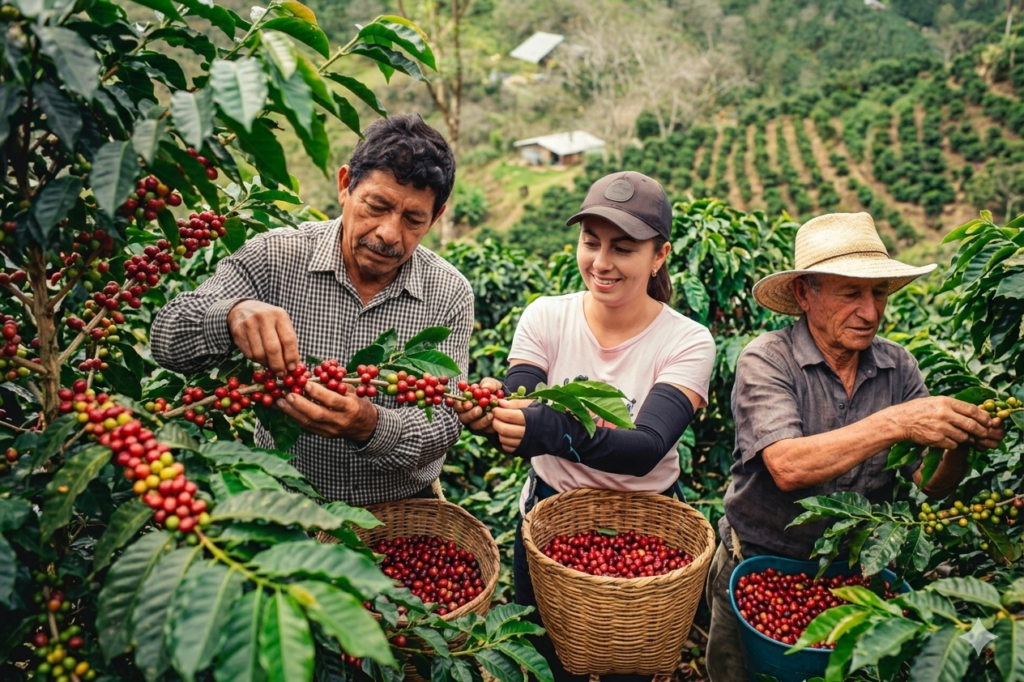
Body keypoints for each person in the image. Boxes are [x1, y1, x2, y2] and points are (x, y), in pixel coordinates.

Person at [704, 212, 1006, 682]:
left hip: (851, 583)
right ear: (806, 293)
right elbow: (786, 465)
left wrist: (958, 442)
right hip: (757, 568)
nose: (870, 312)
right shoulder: (767, 359)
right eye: (851, 294)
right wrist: (898, 422)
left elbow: (930, 482)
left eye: (879, 293)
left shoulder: (898, 367)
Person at [457, 171, 716, 681]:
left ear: (659, 255)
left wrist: (545, 427)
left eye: (623, 248)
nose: (601, 263)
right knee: (550, 664)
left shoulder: (687, 341)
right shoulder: (546, 318)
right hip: (550, 516)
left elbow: (645, 447)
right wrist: (490, 417)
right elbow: (523, 411)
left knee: (631, 668)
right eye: (590, 243)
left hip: (647, 525)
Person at [151, 114, 474, 506]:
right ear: (344, 186)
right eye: (377, 205)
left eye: (413, 219)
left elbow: (444, 421)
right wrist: (229, 316)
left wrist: (370, 425)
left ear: (435, 218)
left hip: (401, 510)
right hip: (287, 507)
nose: (389, 233)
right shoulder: (273, 257)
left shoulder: (449, 292)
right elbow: (166, 339)